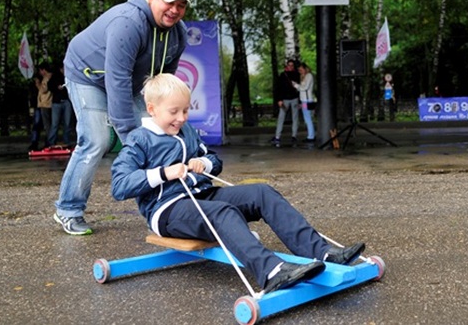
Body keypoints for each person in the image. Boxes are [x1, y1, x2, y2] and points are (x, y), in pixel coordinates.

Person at [111, 73, 366, 293]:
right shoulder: (139, 139)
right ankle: (271, 272)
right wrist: (164, 173)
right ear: (152, 109)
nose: (181, 118)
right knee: (223, 212)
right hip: (168, 210)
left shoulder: (186, 131)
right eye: (173, 112)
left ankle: (321, 252)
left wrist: (205, 164)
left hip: (204, 195)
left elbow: (213, 160)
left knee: (262, 192)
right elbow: (120, 185)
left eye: (186, 110)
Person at [53, 0, 191, 235]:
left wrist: (164, 119)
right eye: (169, 2)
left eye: (181, 4)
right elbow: (117, 80)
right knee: (97, 140)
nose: (174, 10)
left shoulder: (178, 34)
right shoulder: (128, 23)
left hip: (132, 80)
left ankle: (167, 206)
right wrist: (129, 135)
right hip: (88, 75)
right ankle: (68, 209)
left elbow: (164, 81)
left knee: (157, 134)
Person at [270, 59, 300, 147]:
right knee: (281, 117)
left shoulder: (297, 75)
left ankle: (294, 135)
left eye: (292, 65)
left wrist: (300, 101)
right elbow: (278, 88)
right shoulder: (283, 75)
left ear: (294, 66)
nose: (290, 67)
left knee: (295, 118)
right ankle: (277, 136)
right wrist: (279, 99)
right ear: (286, 66)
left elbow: (300, 89)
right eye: (289, 65)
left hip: (294, 99)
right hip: (285, 99)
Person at [47, 64, 73, 146]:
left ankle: (66, 141)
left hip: (66, 101)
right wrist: (56, 88)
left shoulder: (69, 77)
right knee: (55, 123)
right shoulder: (55, 77)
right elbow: (50, 86)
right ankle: (51, 142)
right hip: (57, 102)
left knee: (67, 123)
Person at [293, 62, 316, 142]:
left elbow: (305, 88)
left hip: (307, 100)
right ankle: (311, 135)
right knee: (308, 118)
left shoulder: (309, 76)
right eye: (299, 70)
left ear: (305, 68)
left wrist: (296, 85)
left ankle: (311, 136)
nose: (300, 71)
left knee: (308, 119)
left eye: (301, 69)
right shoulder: (304, 76)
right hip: (304, 100)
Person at [36, 62, 53, 147]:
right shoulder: (47, 77)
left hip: (46, 103)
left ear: (44, 70)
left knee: (47, 124)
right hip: (45, 103)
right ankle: (49, 140)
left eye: (40, 70)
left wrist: (38, 84)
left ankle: (50, 141)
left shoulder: (47, 78)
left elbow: (44, 90)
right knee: (48, 124)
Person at [27, 72, 44, 151]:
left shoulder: (40, 84)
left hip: (41, 105)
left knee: (38, 124)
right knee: (36, 125)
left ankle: (35, 141)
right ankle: (34, 142)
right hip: (37, 105)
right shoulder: (32, 87)